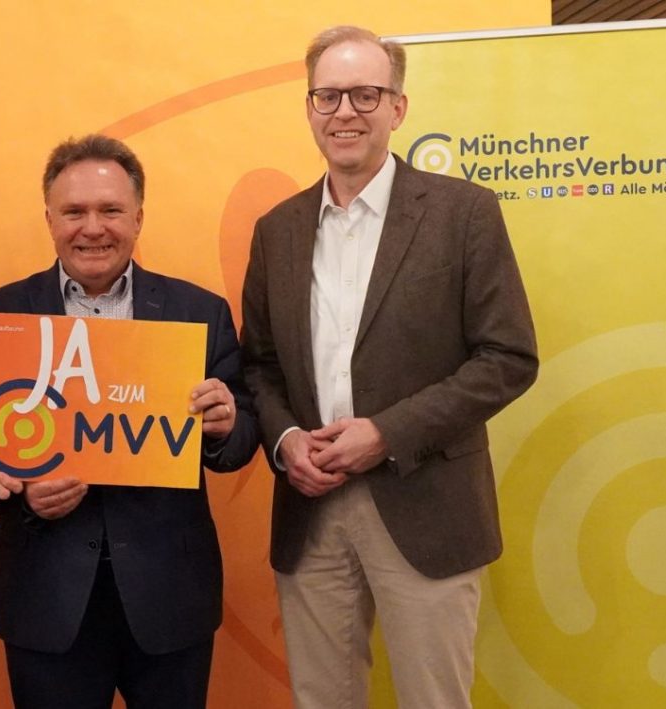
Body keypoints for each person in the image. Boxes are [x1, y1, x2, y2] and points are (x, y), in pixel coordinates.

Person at [240, 26, 539, 708]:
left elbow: (508, 357)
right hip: (311, 508)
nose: (344, 111)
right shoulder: (277, 230)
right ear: (309, 107)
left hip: (426, 504)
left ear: (398, 107)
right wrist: (286, 441)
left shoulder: (464, 213)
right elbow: (259, 365)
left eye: (365, 94)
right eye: (328, 96)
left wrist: (386, 433)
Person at [0, 134, 258, 709]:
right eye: (74, 212)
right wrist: (24, 496)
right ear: (49, 219)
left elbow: (239, 442)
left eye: (111, 210)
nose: (93, 228)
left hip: (170, 599)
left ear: (138, 217)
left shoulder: (198, 312)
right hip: (46, 600)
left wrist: (224, 425)